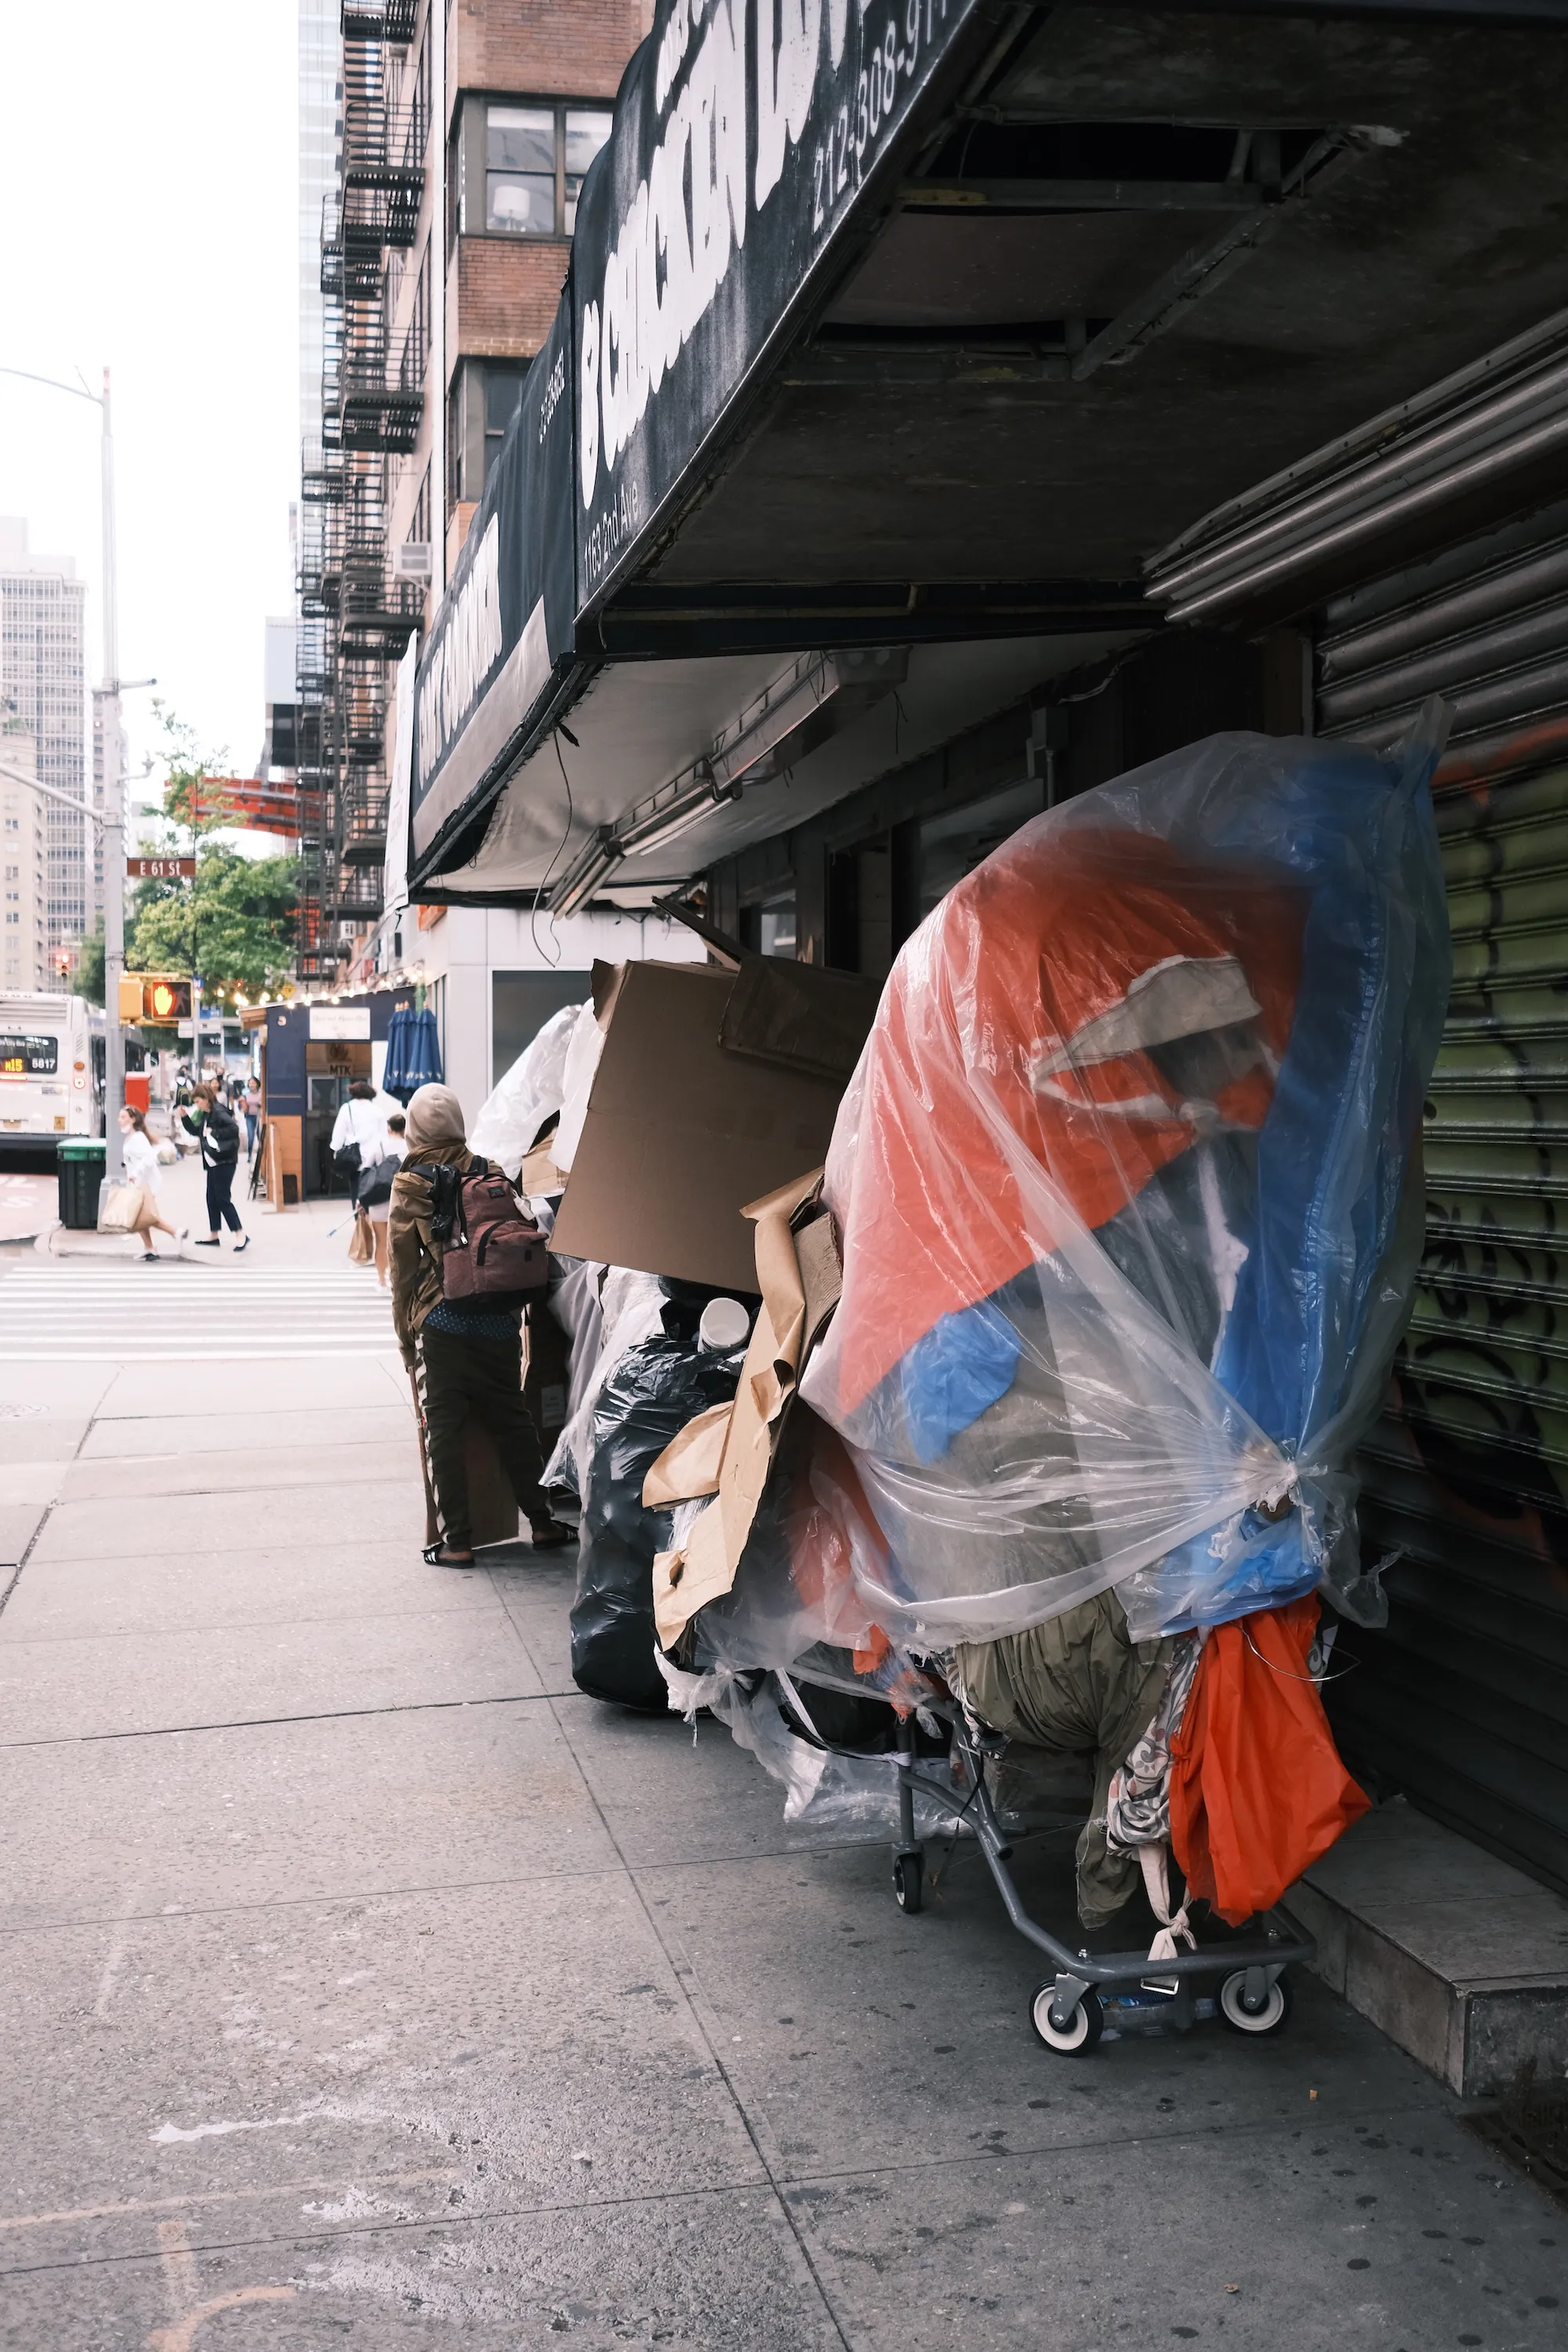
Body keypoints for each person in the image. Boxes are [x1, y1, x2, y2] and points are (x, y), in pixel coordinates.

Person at [389, 1082, 571, 1566]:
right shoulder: (489, 1169)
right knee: (513, 1420)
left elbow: (402, 1272)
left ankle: (458, 1541)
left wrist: (407, 1342)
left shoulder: (410, 1184)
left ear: (414, 1128)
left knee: (443, 1431)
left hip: (442, 1323)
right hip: (497, 1321)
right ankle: (543, 1521)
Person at [179, 1081, 248, 1251]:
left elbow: (233, 1128)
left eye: (197, 1101)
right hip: (213, 1162)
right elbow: (198, 1132)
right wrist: (185, 1118)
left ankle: (240, 1233)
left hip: (224, 1161)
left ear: (205, 1098)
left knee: (222, 1199)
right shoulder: (207, 1114)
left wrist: (214, 1133)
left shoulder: (217, 1111)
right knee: (212, 1198)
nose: (197, 1105)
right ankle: (214, 1233)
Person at [117, 1106, 187, 1261]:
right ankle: (150, 1247)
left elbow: (149, 1158)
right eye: (120, 1117)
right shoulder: (132, 1137)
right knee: (141, 1216)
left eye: (123, 1117)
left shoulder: (137, 1138)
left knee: (146, 1215)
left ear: (133, 1119)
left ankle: (176, 1232)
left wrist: (135, 1173)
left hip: (144, 1183)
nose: (119, 1121)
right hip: (139, 1182)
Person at [358, 1108, 407, 1287]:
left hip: (378, 1200)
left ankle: (381, 1279)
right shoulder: (409, 1148)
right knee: (399, 1243)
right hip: (401, 1200)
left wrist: (360, 1200)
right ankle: (398, 1280)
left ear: (389, 1128)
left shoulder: (379, 1146)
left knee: (381, 1240)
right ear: (404, 1129)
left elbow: (365, 1170)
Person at [328, 1079, 386, 1195]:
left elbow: (338, 1134)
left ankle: (357, 1211)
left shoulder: (346, 1108)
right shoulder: (377, 1110)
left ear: (353, 1093)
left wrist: (336, 1151)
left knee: (356, 1191)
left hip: (354, 1159)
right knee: (371, 1193)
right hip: (374, 1158)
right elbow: (384, 1137)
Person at [241, 1076, 261, 1156]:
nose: (252, 1085)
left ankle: (260, 1154)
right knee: (251, 1136)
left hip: (259, 1116)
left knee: (260, 1135)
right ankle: (250, 1155)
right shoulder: (246, 1094)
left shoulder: (261, 1094)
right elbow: (242, 1106)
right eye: (250, 1083)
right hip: (249, 1117)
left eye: (253, 1083)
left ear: (257, 1084)